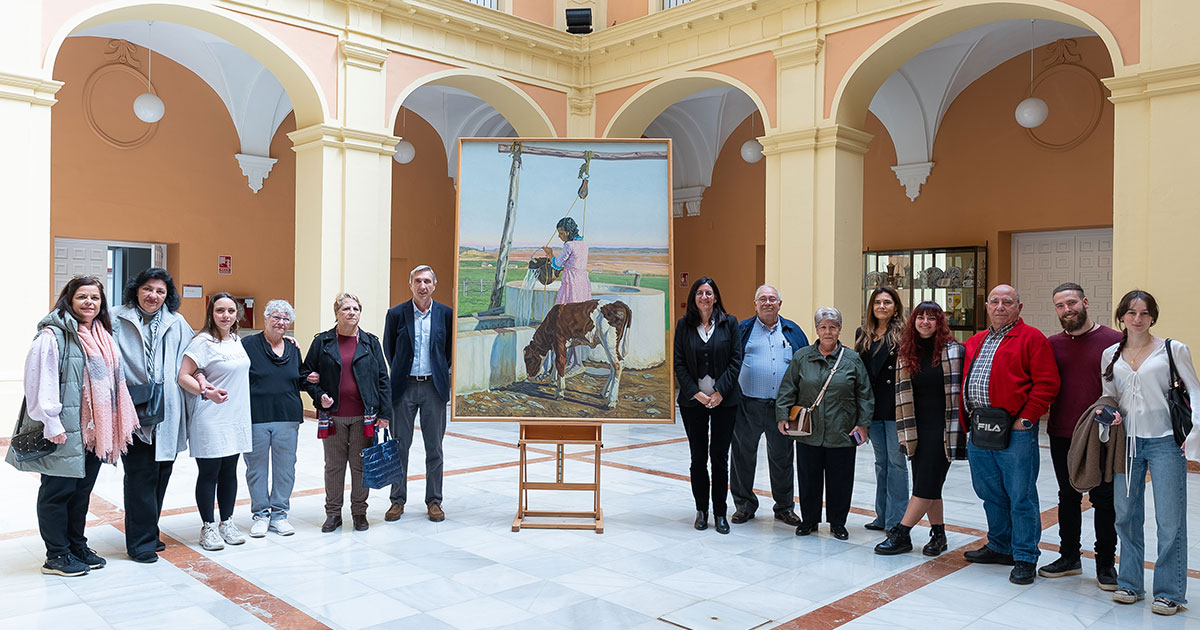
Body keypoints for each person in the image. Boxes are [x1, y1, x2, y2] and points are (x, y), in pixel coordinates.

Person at [7, 276, 138, 576]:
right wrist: (50, 421)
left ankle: (76, 544)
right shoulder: (52, 336)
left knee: (81, 492)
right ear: (69, 299)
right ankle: (56, 554)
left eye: (95, 298)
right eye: (82, 297)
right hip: (63, 429)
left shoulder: (103, 334)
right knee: (57, 492)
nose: (89, 303)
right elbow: (38, 382)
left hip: (94, 432)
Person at [1101, 290, 1200, 615]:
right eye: (1131, 313)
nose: (1138, 319)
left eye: (1144, 313)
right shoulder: (1111, 354)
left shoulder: (1173, 350)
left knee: (1170, 521)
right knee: (1126, 516)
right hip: (1126, 445)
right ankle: (1129, 583)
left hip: (1165, 443)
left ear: (1153, 317)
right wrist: (1108, 415)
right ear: (1122, 316)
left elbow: (1195, 394)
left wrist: (1193, 438)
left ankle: (1170, 592)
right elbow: (1108, 396)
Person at [961, 284, 1060, 585]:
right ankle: (1000, 545)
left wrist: (1027, 420)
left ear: (1019, 307)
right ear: (987, 306)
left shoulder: (1032, 339)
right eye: (995, 302)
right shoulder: (976, 340)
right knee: (989, 492)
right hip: (980, 428)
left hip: (1014, 430)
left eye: (1008, 302)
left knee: (1021, 496)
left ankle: (1025, 556)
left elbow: (1047, 383)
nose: (1000, 306)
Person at [1039, 283, 1121, 586]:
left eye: (1071, 303)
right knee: (1068, 497)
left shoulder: (1114, 340)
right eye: (1060, 306)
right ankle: (1069, 556)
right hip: (1061, 431)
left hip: (1101, 433)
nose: (1067, 310)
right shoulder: (1052, 344)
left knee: (1104, 499)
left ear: (1085, 302)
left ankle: (1105, 565)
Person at [111, 268, 193, 563]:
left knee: (161, 473)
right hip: (132, 407)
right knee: (140, 475)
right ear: (136, 290)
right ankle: (140, 542)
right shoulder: (116, 317)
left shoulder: (177, 321)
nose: (153, 296)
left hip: (167, 409)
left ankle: (149, 531)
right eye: (147, 289)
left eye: (160, 291)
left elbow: (195, 355)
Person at [873, 302, 965, 556]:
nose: (925, 322)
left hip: (943, 427)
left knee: (925, 485)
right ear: (913, 321)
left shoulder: (954, 351)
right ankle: (938, 534)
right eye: (921, 317)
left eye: (931, 318)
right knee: (930, 484)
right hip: (916, 428)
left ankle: (902, 533)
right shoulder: (907, 352)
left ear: (940, 322)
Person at [776, 306, 872, 540]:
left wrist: (863, 423)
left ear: (840, 329)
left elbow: (865, 394)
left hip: (842, 430)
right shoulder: (802, 357)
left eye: (833, 327)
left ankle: (838, 523)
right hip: (809, 430)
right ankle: (809, 520)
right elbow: (788, 388)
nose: (828, 331)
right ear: (817, 329)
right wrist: (782, 415)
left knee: (840, 480)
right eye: (823, 327)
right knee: (809, 478)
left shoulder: (852, 359)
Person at [302, 292, 391, 533]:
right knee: (334, 466)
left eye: (356, 309)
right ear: (336, 314)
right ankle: (333, 514)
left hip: (366, 416)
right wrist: (319, 394)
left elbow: (383, 379)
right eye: (346, 309)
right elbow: (305, 375)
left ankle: (359, 512)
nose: (352, 313)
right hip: (333, 418)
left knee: (361, 466)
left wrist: (385, 413)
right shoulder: (322, 342)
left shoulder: (371, 342)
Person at [178, 293, 253, 551]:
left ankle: (227, 522)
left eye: (231, 311)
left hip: (236, 416)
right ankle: (208, 527)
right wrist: (205, 392)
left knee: (230, 472)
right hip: (210, 416)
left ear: (237, 315)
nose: (226, 315)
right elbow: (183, 376)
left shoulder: (236, 340)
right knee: (210, 473)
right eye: (220, 310)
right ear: (211, 313)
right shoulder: (202, 342)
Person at [729, 285, 808, 527]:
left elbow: (805, 364)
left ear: (780, 304)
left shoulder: (793, 330)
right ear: (755, 304)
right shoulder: (742, 329)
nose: (767, 303)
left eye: (772, 299)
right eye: (762, 299)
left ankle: (784, 507)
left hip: (782, 410)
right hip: (747, 405)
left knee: (782, 458)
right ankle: (744, 506)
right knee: (742, 456)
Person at [383, 265, 454, 523]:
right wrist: (402, 373)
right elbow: (389, 348)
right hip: (404, 388)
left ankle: (434, 501)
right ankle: (397, 501)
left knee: (434, 448)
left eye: (427, 281)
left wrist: (438, 371)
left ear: (434, 285)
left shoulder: (446, 314)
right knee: (399, 447)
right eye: (417, 281)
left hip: (434, 389)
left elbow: (448, 351)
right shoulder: (396, 314)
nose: (422, 286)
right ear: (410, 284)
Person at [673, 277, 742, 534]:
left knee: (720, 458)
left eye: (709, 293)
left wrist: (720, 392)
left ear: (716, 297)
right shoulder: (684, 325)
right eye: (700, 293)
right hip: (694, 403)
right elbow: (679, 363)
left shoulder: (730, 323)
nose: (704, 297)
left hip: (725, 402)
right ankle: (701, 510)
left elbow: (736, 360)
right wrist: (696, 394)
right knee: (698, 457)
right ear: (694, 298)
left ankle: (720, 513)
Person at [242, 300, 304, 538]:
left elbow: (300, 377)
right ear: (266, 319)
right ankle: (260, 514)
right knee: (256, 469)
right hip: (256, 416)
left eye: (286, 319)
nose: (281, 322)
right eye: (276, 317)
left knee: (285, 469)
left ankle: (279, 514)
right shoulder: (247, 344)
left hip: (287, 416)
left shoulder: (293, 347)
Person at [856, 286, 907, 532]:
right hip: (871, 408)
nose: (882, 307)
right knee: (881, 462)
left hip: (895, 407)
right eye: (877, 302)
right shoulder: (862, 333)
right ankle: (882, 516)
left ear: (895, 307)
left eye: (887, 302)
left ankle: (897, 520)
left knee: (897, 464)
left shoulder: (904, 334)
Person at [541, 216, 590, 376]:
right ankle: (574, 361)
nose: (560, 236)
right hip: (582, 282)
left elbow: (557, 263)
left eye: (561, 233)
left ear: (568, 232)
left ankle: (576, 363)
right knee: (578, 321)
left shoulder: (569, 245)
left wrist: (550, 254)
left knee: (566, 321)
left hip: (571, 284)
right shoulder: (583, 244)